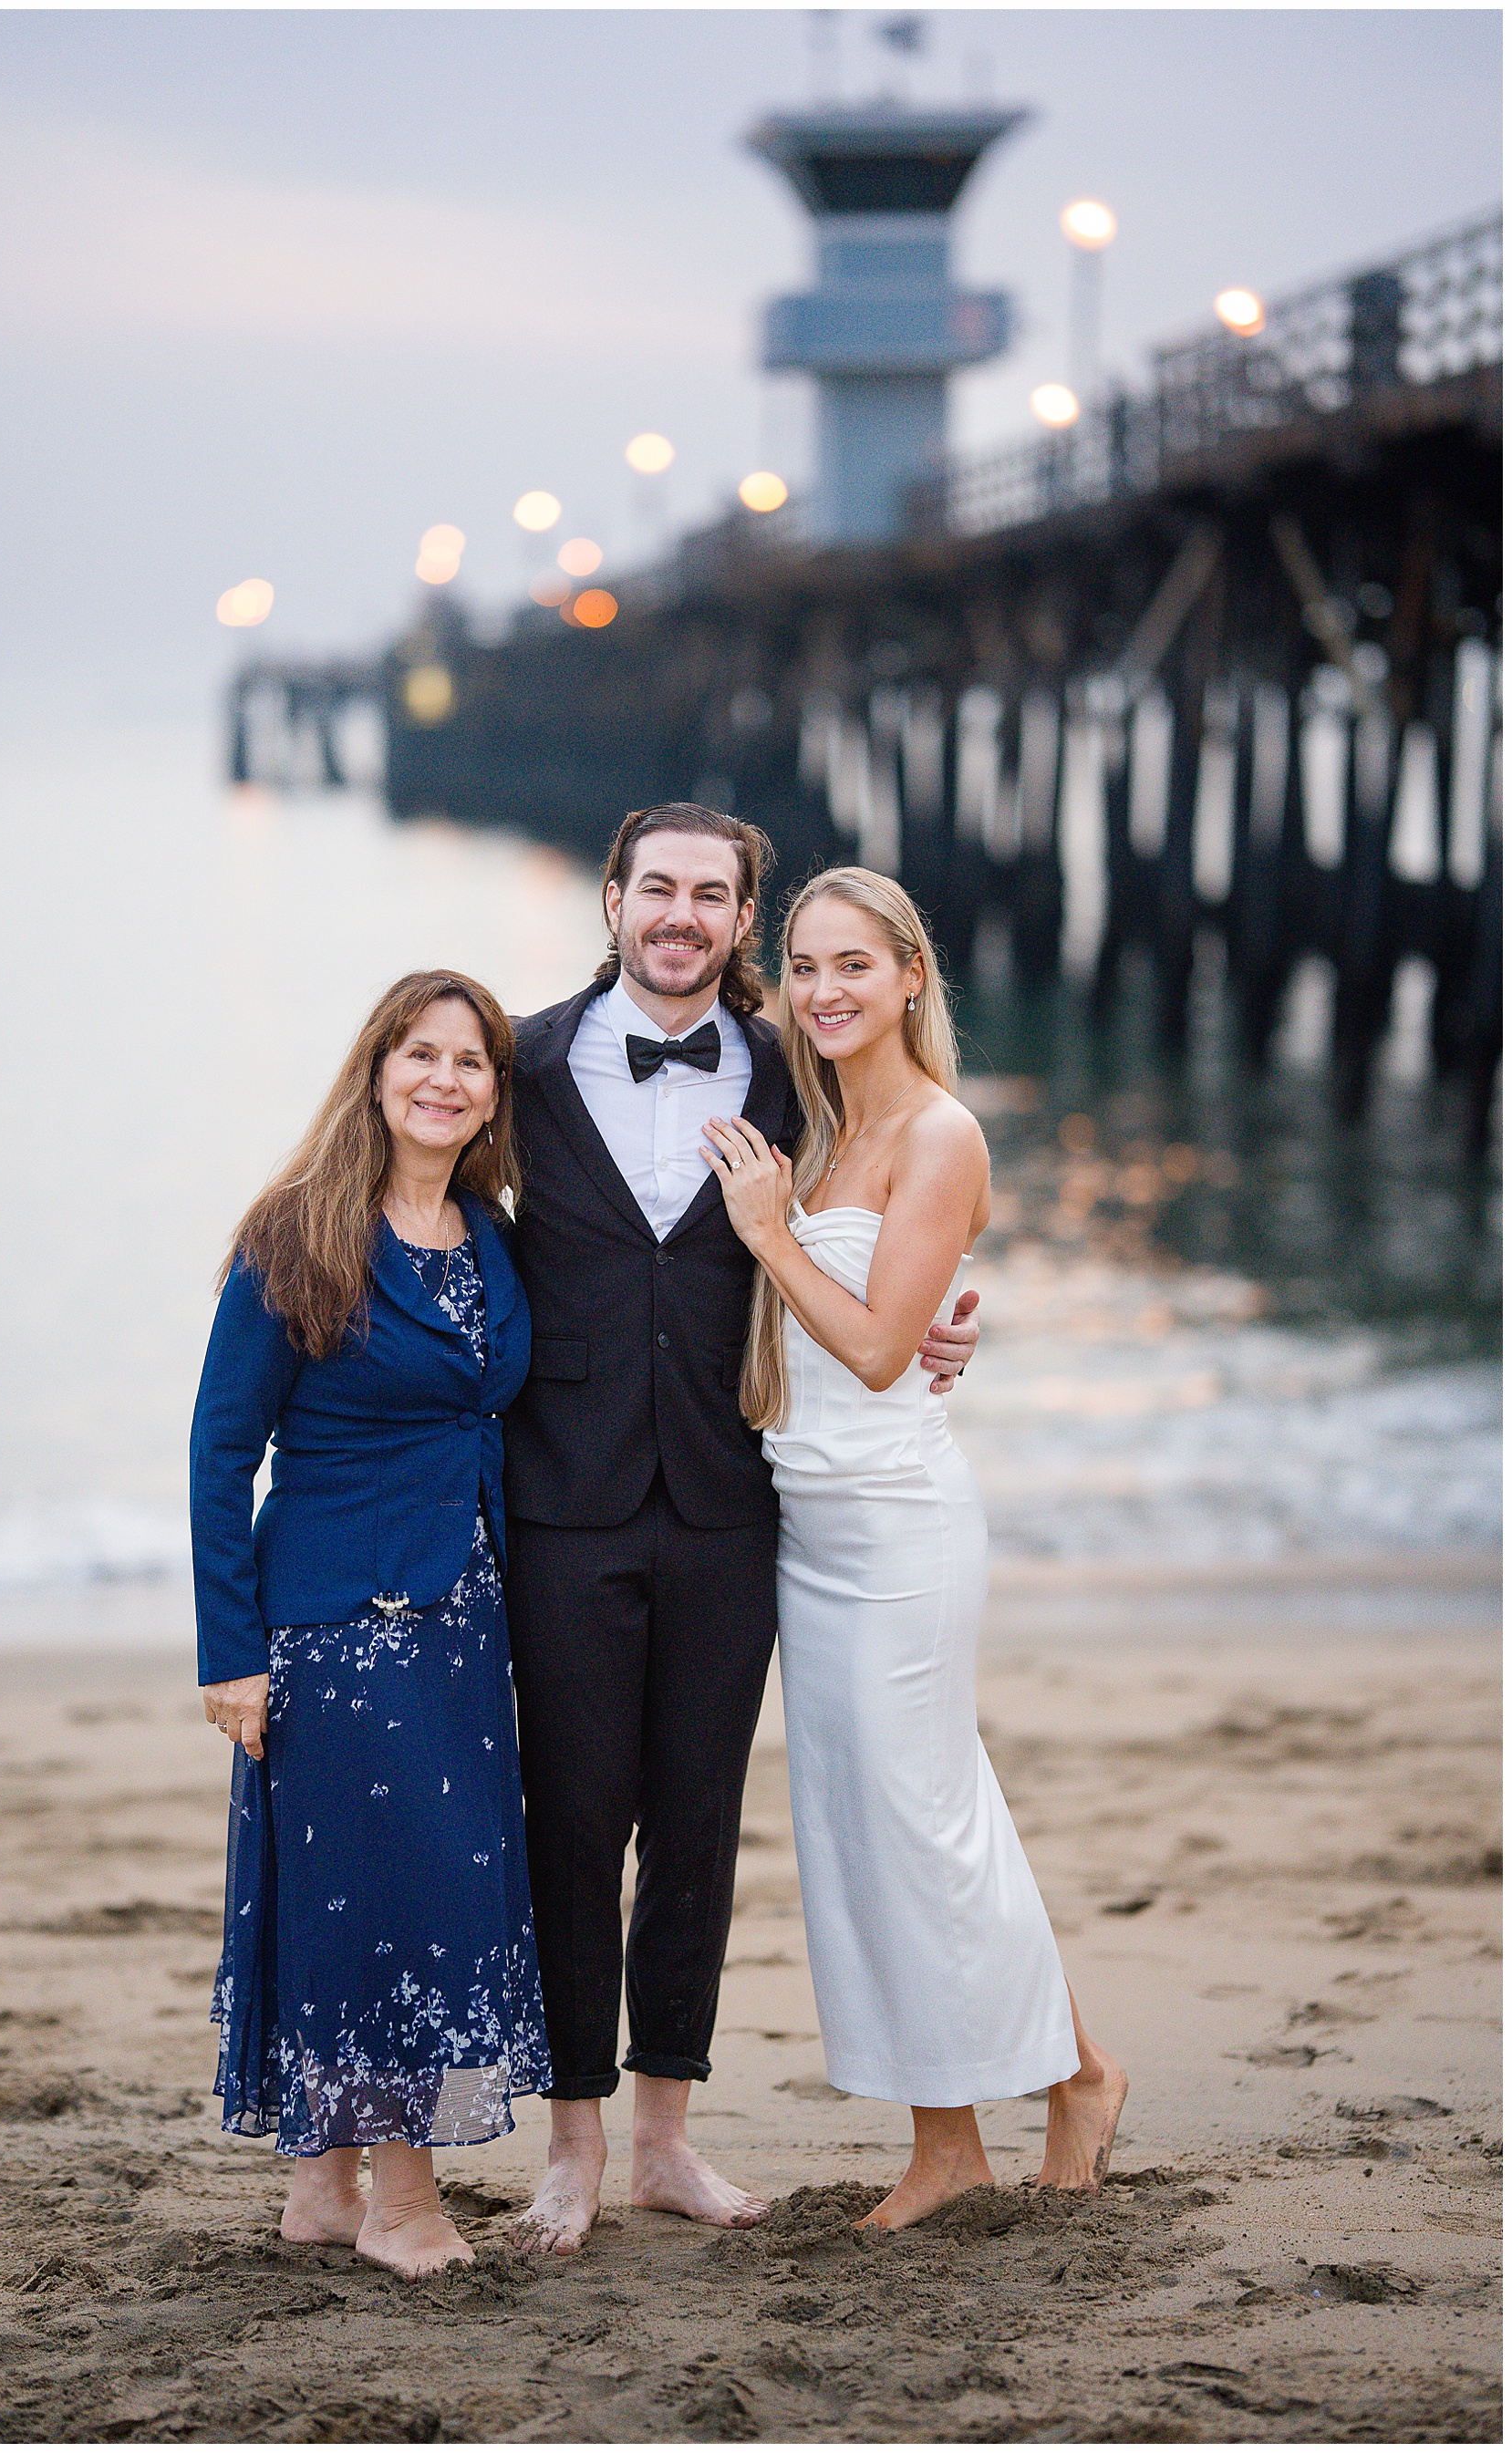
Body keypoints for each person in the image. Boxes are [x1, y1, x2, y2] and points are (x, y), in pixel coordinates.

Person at [502, 806, 982, 2254]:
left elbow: (882, 1211)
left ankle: (667, 2138)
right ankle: (573, 2142)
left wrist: (955, 1315)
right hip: (562, 1498)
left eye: (713, 896)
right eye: (659, 888)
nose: (681, 915)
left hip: (733, 1497)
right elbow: (413, 1201)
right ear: (613, 897)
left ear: (740, 923)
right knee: (576, 1821)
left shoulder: (798, 1068)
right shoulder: (518, 1061)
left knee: (699, 1824)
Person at [701, 866, 1128, 2230]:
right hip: (807, 1525)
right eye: (806, 967)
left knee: (930, 1823)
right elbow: (892, 1315)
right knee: (866, 1837)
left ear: (910, 977)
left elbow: (885, 1348)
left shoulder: (939, 1134)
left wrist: (770, 1238)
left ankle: (1067, 2078)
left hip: (899, 1529)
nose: (825, 991)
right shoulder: (815, 1121)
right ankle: (957, 2134)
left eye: (852, 966)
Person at [191, 970, 551, 2279]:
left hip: (462, 1621)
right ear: (378, 1068)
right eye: (423, 1054)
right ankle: (404, 2201)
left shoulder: (492, 1233)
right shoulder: (296, 1232)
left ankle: (324, 2191)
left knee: (376, 1895)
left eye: (474, 1062)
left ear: (494, 1095)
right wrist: (227, 1653)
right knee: (395, 1902)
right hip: (337, 1628)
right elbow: (221, 1450)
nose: (447, 1079)